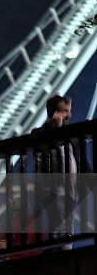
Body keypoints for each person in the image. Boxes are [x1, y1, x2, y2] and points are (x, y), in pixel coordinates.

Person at [31, 95, 91, 236]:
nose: (70, 114)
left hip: (73, 190)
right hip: (54, 191)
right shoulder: (39, 133)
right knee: (58, 230)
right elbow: (44, 151)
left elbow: (81, 160)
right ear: (55, 113)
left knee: (67, 230)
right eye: (65, 111)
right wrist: (56, 129)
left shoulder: (71, 134)